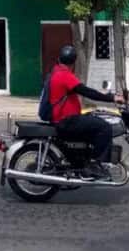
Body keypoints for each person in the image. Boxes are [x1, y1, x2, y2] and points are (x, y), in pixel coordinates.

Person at [48, 44, 124, 180]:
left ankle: (84, 161)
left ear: (60, 59)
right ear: (73, 62)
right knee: (104, 127)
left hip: (65, 119)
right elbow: (87, 92)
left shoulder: (56, 71)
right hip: (67, 121)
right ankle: (93, 164)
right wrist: (112, 98)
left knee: (92, 122)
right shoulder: (65, 75)